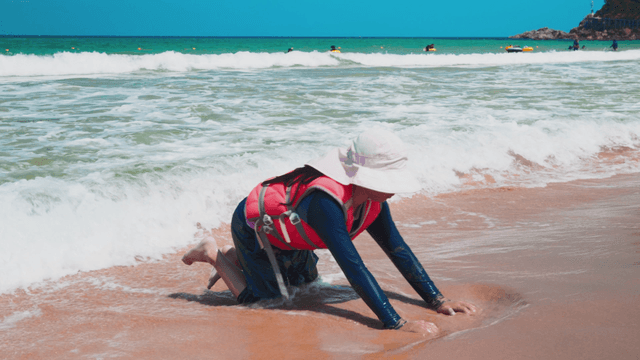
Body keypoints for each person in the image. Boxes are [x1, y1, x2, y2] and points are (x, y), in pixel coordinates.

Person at [182, 129, 477, 334]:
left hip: (290, 235)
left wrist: (437, 300)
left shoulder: (371, 199)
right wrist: (394, 322)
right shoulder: (326, 203)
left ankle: (240, 258)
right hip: (257, 230)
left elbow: (396, 248)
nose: (395, 187)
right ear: (366, 177)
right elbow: (353, 266)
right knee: (265, 302)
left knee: (306, 288)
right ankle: (215, 255)